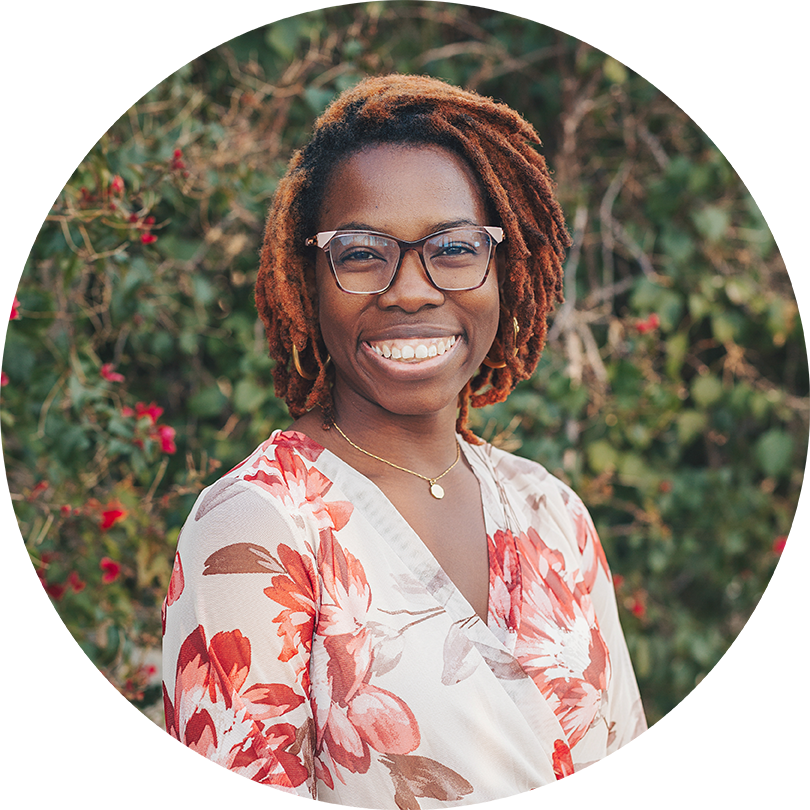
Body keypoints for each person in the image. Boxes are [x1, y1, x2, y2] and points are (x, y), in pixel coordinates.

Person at [162, 74, 647, 809]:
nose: (412, 290)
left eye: (454, 248)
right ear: (309, 278)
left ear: (503, 268)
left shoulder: (553, 514)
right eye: (361, 253)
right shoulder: (258, 527)